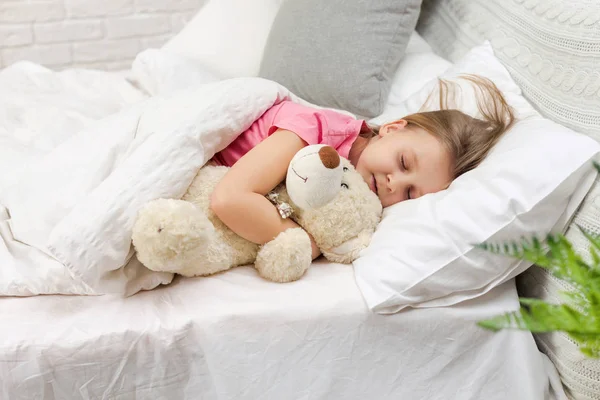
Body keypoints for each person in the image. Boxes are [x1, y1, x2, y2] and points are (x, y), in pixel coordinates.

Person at [209, 74, 515, 260]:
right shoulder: (317, 136)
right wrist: (313, 246)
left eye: (410, 193)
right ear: (392, 128)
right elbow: (230, 199)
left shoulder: (358, 204)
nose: (394, 184)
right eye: (403, 162)